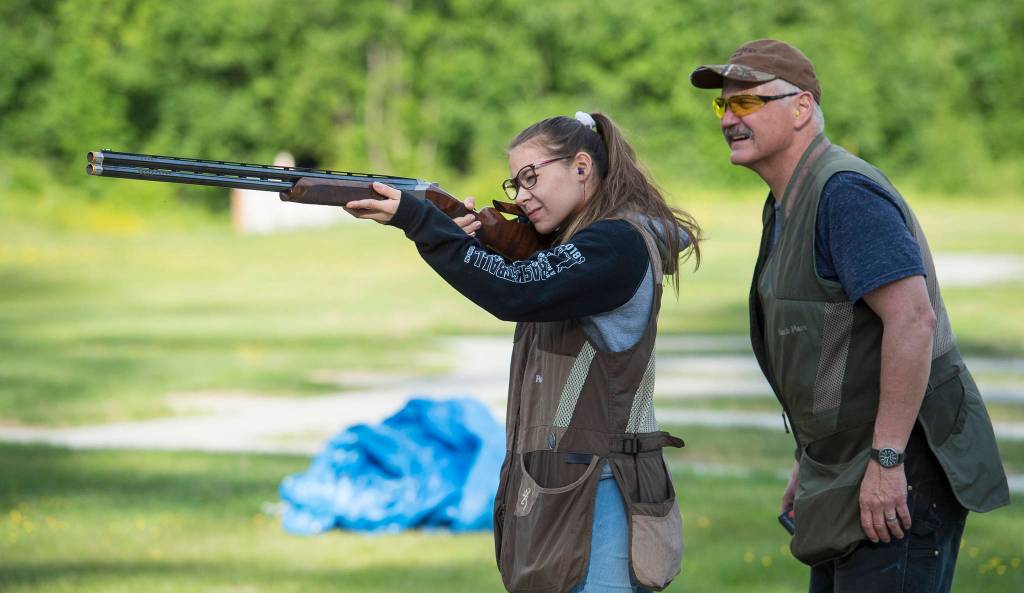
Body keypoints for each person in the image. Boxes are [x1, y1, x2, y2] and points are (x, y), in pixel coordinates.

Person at [689, 40, 1009, 592]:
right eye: (723, 106)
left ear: (801, 107)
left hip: (904, 464)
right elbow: (832, 342)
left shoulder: (845, 193)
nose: (729, 120)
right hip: (845, 466)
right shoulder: (788, 200)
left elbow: (912, 319)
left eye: (746, 104)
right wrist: (811, 459)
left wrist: (887, 461)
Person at [339, 112, 701, 593]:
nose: (522, 195)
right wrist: (464, 240)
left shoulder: (616, 243)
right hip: (567, 491)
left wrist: (420, 221)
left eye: (532, 178)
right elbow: (526, 278)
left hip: (603, 493)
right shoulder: (585, 243)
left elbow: (513, 291)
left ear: (580, 166)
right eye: (516, 184)